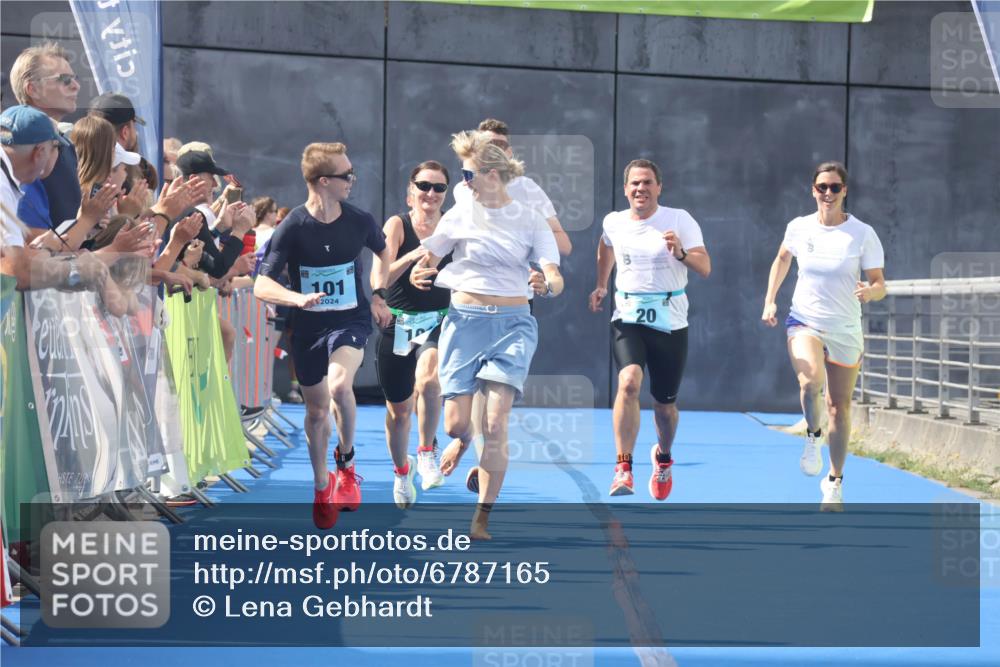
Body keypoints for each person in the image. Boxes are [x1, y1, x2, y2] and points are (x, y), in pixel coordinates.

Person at [410, 131, 563, 539]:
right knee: (455, 424)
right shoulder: (460, 215)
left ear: (492, 175)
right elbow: (430, 257)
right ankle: (462, 441)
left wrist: (546, 284)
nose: (463, 182)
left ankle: (482, 516)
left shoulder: (530, 219)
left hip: (513, 325)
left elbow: (554, 273)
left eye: (468, 174)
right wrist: (418, 272)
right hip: (464, 323)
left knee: (496, 424)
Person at [255, 142, 392, 529]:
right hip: (309, 327)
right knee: (316, 412)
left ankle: (346, 465)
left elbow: (384, 253)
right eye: (346, 175)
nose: (352, 180)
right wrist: (296, 298)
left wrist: (379, 295)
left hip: (351, 321)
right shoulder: (293, 226)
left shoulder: (359, 220)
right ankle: (321, 486)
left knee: (339, 385)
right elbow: (262, 284)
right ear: (323, 181)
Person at [444, 117, 573, 477]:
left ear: (510, 151)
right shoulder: (464, 189)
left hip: (512, 301)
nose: (496, 149)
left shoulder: (528, 190)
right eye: (488, 144)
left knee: (495, 398)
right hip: (469, 305)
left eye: (501, 144)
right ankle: (467, 441)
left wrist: (541, 264)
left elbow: (561, 243)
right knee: (469, 395)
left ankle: (483, 458)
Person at [761, 161, 885, 510]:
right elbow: (782, 259)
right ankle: (813, 435)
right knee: (810, 382)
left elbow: (879, 283)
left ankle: (834, 481)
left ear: (845, 191)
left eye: (834, 187)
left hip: (845, 328)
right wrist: (770, 300)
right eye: (822, 187)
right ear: (813, 190)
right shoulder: (799, 227)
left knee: (838, 406)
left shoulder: (862, 233)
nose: (827, 193)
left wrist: (871, 292)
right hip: (806, 320)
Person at [589, 159, 711, 501]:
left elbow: (705, 266)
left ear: (659, 187)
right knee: (628, 382)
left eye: (647, 183)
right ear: (625, 189)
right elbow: (606, 245)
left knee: (664, 407)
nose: (640, 189)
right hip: (628, 315)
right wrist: (601, 284)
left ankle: (663, 457)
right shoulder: (614, 221)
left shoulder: (678, 219)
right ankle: (623, 467)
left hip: (670, 321)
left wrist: (681, 253)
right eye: (634, 183)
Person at [372, 161, 452, 508]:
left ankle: (426, 450)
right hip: (399, 323)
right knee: (399, 412)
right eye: (424, 186)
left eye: (438, 188)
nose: (430, 193)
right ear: (411, 192)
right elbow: (381, 276)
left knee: (430, 380)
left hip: (439, 319)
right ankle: (402, 472)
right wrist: (413, 257)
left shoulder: (452, 225)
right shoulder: (397, 225)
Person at [9, 42, 82, 230]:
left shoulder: (66, 143)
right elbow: (30, 236)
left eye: (75, 78)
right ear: (32, 89)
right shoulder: (19, 146)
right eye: (64, 79)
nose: (76, 86)